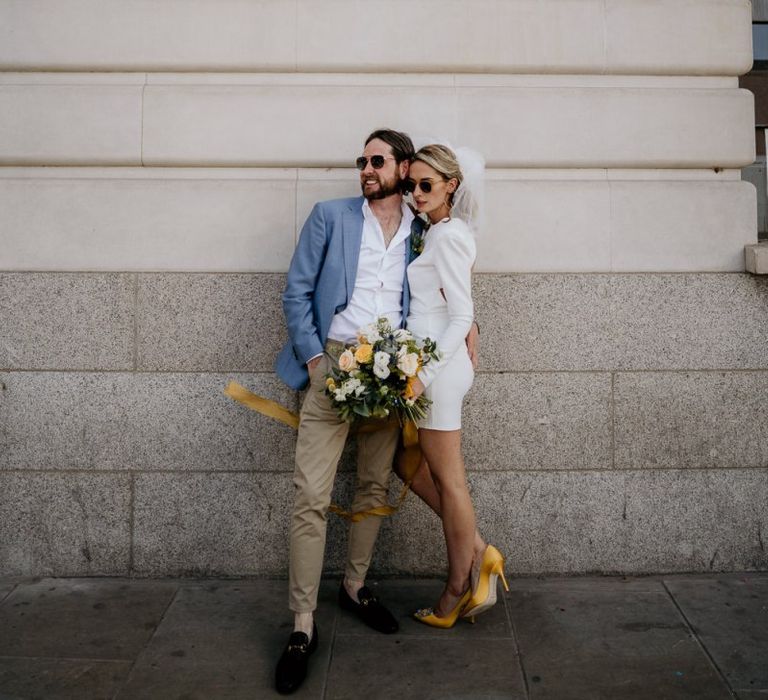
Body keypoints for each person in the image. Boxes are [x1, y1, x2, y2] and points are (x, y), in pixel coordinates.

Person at [274, 129, 479, 695]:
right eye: (361, 160)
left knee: (371, 487)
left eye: (377, 160)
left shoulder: (424, 225)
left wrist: (470, 325)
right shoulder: (330, 216)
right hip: (334, 365)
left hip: (392, 368)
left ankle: (356, 587)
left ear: (404, 167)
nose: (366, 169)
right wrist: (316, 360)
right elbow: (295, 292)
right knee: (311, 494)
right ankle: (301, 625)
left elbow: (450, 286)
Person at [401, 144, 508, 628]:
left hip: (437, 372)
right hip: (430, 363)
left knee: (450, 479)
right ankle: (481, 552)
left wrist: (423, 376)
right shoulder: (437, 232)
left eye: (428, 185)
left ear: (451, 186)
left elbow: (461, 313)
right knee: (410, 465)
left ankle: (455, 589)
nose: (418, 193)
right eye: (412, 185)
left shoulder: (450, 237)